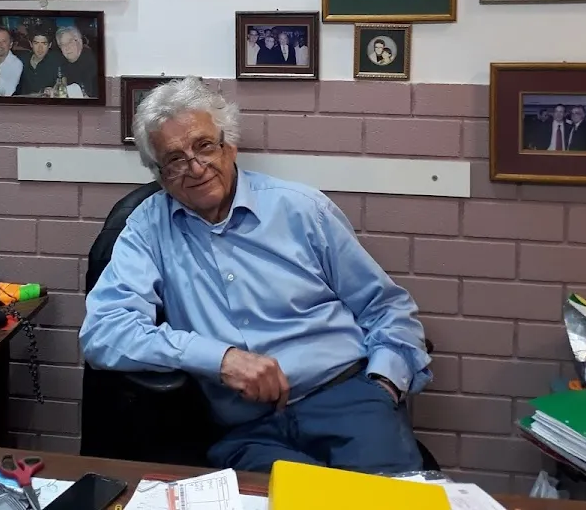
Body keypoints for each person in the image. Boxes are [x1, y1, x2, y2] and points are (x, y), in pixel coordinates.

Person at [80, 77, 429, 474]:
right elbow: (104, 331)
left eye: (204, 146)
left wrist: (383, 386)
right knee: (282, 501)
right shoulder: (147, 228)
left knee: (384, 500)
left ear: (229, 144)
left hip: (346, 398)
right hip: (247, 431)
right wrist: (219, 358)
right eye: (175, 159)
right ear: (159, 173)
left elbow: (387, 308)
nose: (195, 167)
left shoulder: (302, 210)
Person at [55, 25, 98, 98]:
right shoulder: (63, 61)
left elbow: (87, 95)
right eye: (62, 44)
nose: (67, 48)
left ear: (79, 41)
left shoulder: (89, 60)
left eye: (70, 42)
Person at [16, 31, 62, 96]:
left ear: (49, 45)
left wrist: (55, 90)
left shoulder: (56, 60)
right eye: (36, 43)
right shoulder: (21, 60)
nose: (40, 48)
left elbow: (63, 81)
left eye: (44, 43)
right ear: (31, 44)